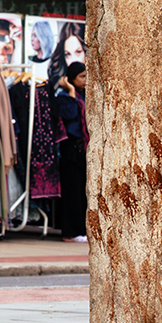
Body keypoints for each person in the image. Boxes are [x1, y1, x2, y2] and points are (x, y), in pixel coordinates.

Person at [54, 60, 88, 243]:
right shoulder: (63, 97)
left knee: (82, 190)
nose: (85, 80)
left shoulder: (84, 96)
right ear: (71, 79)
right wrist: (71, 92)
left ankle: (80, 229)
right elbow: (69, 116)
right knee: (71, 190)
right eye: (81, 77)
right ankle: (70, 231)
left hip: (82, 148)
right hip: (69, 149)